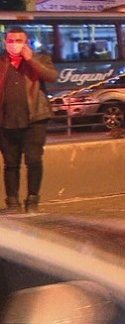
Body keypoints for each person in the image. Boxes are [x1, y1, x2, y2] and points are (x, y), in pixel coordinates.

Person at [0, 27, 57, 214]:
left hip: (34, 119)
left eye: (18, 40)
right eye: (10, 40)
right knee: (10, 164)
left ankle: (33, 201)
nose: (14, 44)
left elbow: (51, 76)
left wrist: (30, 59)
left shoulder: (40, 59)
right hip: (6, 121)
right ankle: (13, 203)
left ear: (26, 43)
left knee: (33, 161)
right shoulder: (2, 62)